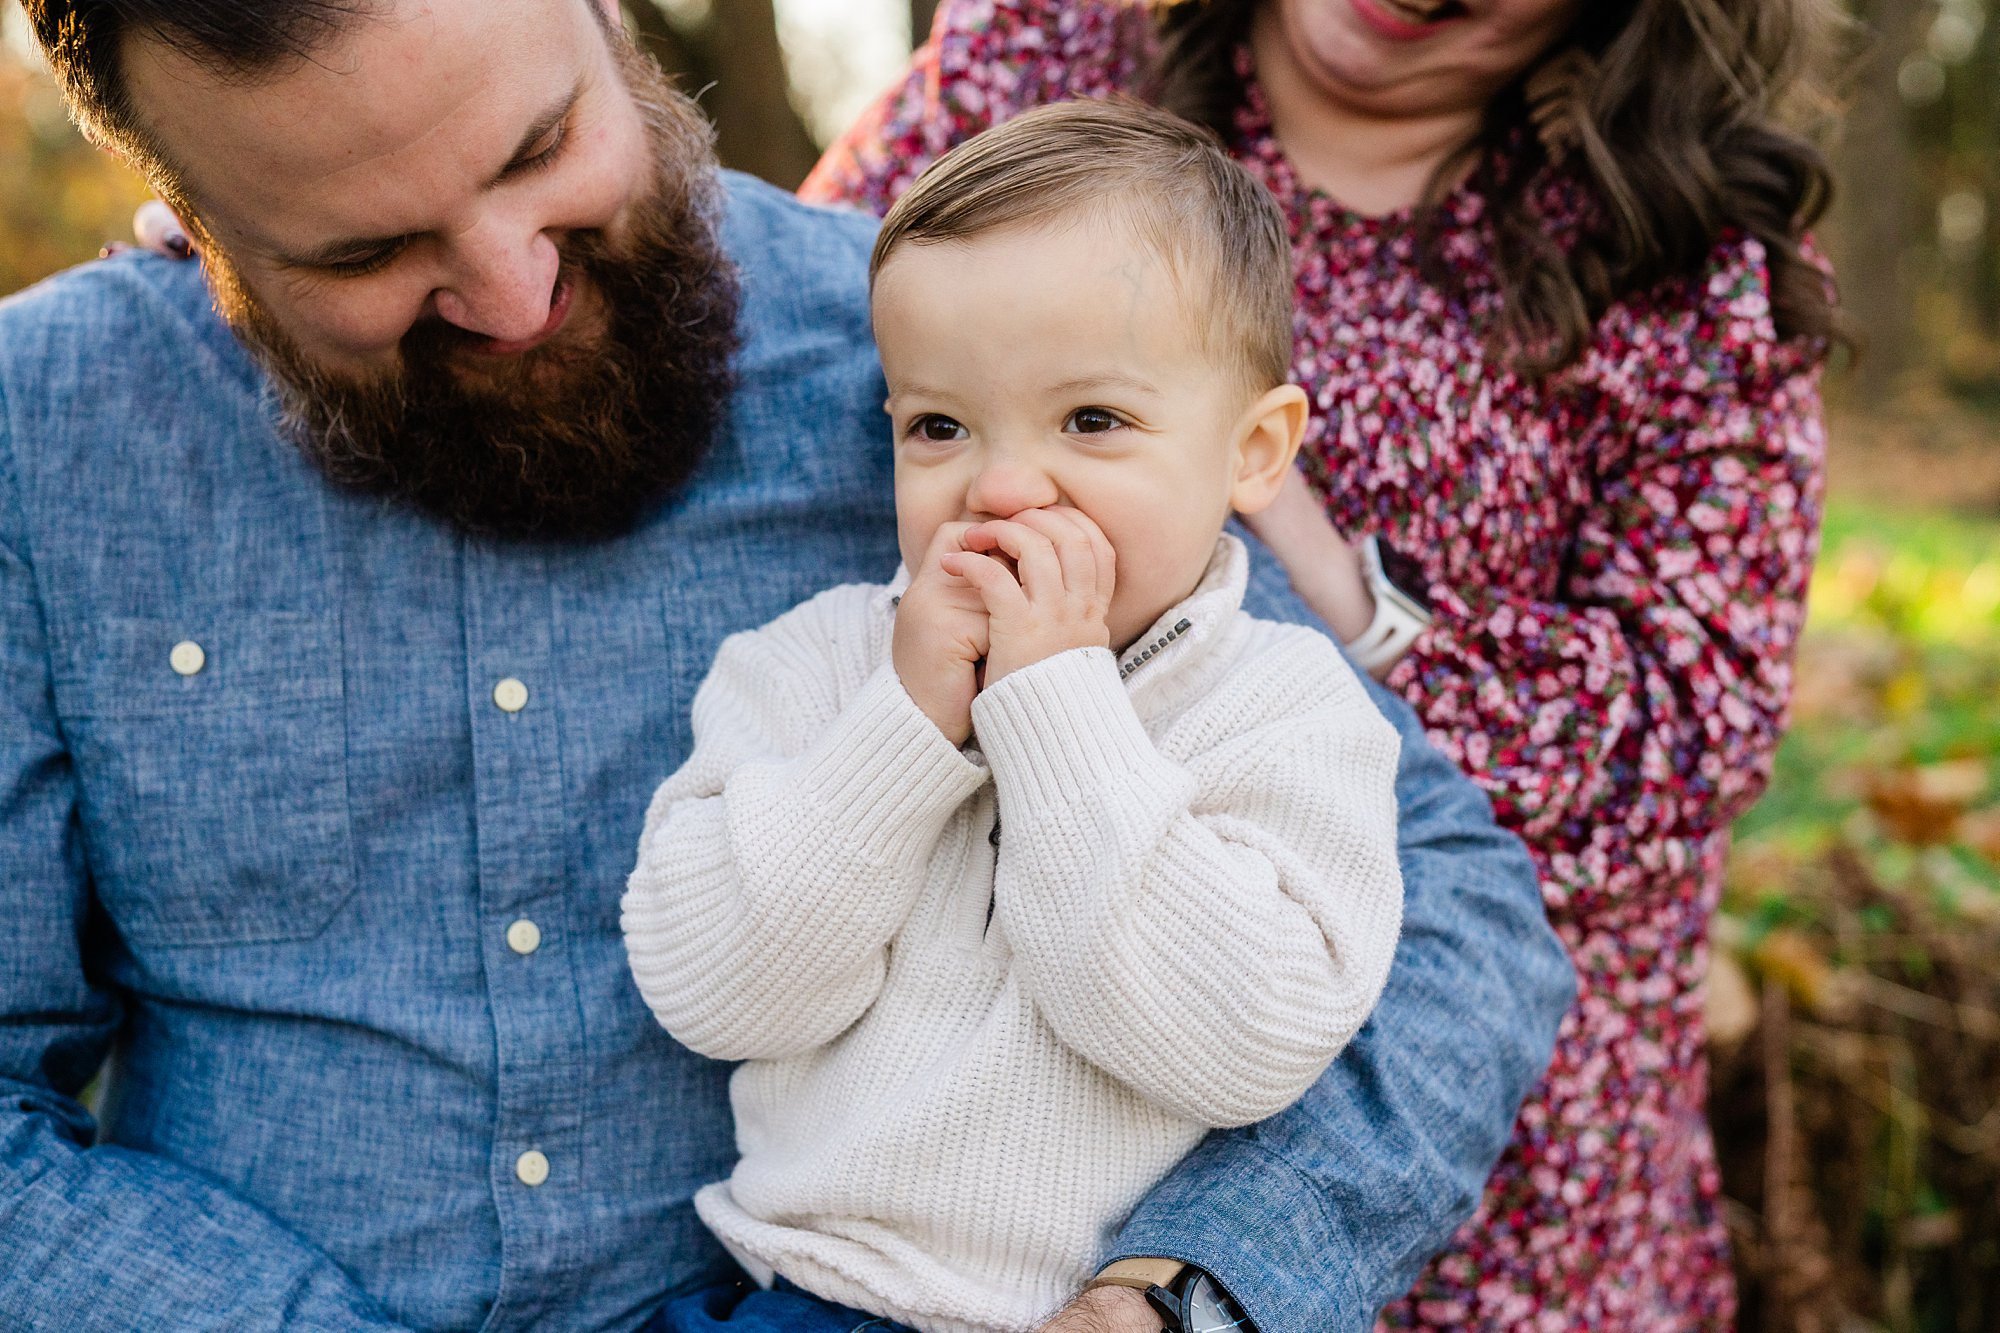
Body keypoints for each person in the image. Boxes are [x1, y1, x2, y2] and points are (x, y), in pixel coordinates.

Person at [0, 1, 1572, 1330]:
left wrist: (1192, 1287)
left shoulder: (950, 370)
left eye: (540, 151)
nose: (512, 289)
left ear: (615, 22)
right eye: (365, 248)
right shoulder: (41, 434)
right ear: (193, 218)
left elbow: (1460, 924)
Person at [802, 0, 1839, 1328]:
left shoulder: (1690, 249)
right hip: (994, 1171)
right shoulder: (1046, 54)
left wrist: (1327, 583)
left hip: (1460, 1162)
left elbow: (1685, 736)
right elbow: (817, 346)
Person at [623, 99, 1405, 1333]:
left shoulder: (1286, 715)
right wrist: (902, 728)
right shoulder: (809, 664)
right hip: (804, 1299)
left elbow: (1243, 1042)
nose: (997, 485)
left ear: (1253, 450)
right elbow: (716, 991)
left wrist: (1052, 709)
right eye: (938, 425)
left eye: (1090, 420)